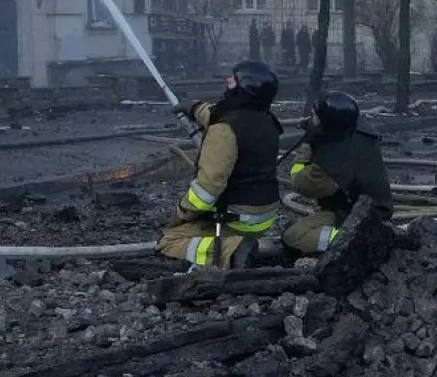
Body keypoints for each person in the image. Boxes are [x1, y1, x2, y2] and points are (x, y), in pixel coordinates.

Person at [156, 61, 282, 269]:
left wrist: (181, 213)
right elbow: (220, 115)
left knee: (169, 240)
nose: (227, 81)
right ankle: (239, 243)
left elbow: (207, 190)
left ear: (244, 88)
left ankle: (231, 250)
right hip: (264, 214)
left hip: (238, 219)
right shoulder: (266, 119)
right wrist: (195, 108)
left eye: (232, 79)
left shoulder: (224, 130)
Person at [285, 91, 393, 257]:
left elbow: (300, 184)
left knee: (293, 237)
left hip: (358, 216)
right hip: (374, 208)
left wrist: (306, 148)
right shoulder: (359, 131)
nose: (310, 119)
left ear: (324, 124)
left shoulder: (331, 160)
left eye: (314, 116)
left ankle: (352, 239)